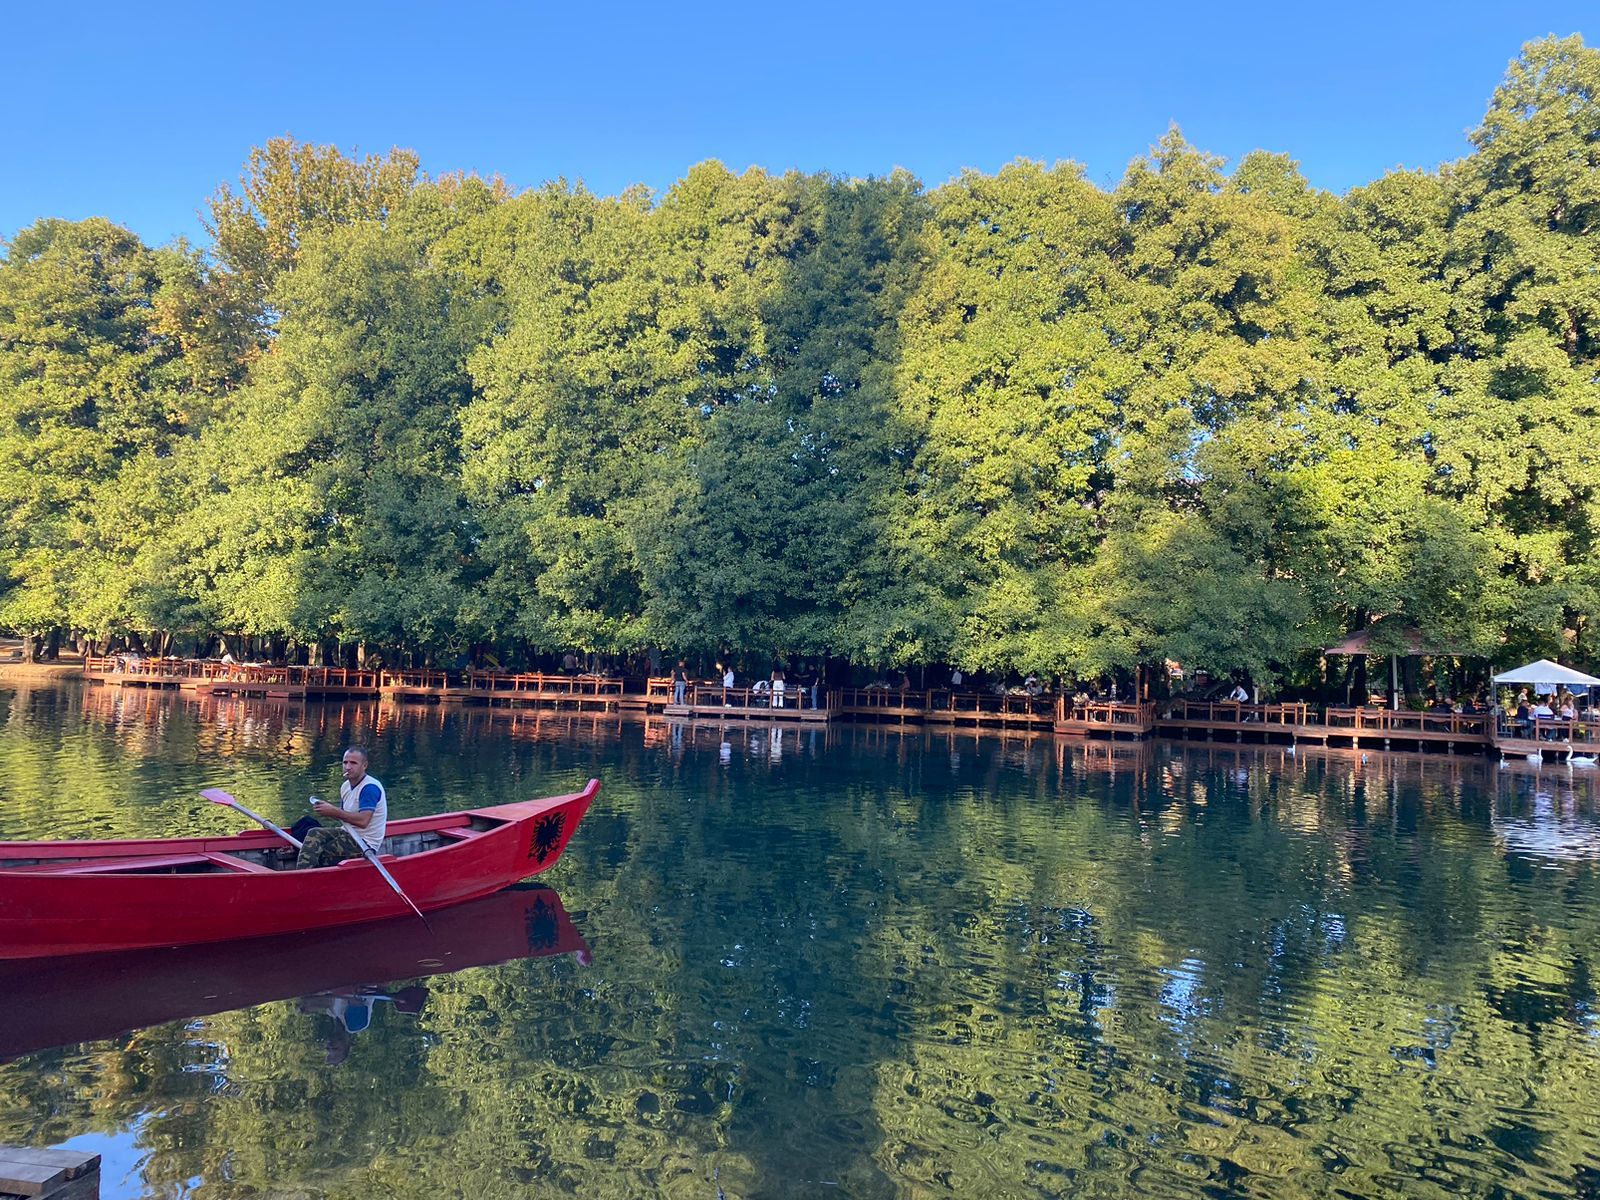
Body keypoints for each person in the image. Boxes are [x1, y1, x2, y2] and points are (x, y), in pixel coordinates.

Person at [293, 746, 389, 869]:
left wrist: (334, 811)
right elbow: (344, 817)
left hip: (364, 842)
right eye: (345, 762)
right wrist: (327, 810)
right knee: (314, 832)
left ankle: (308, 879)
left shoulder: (369, 788)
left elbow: (363, 821)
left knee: (324, 852)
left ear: (364, 766)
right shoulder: (345, 786)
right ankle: (302, 875)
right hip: (347, 832)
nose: (348, 767)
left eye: (353, 763)